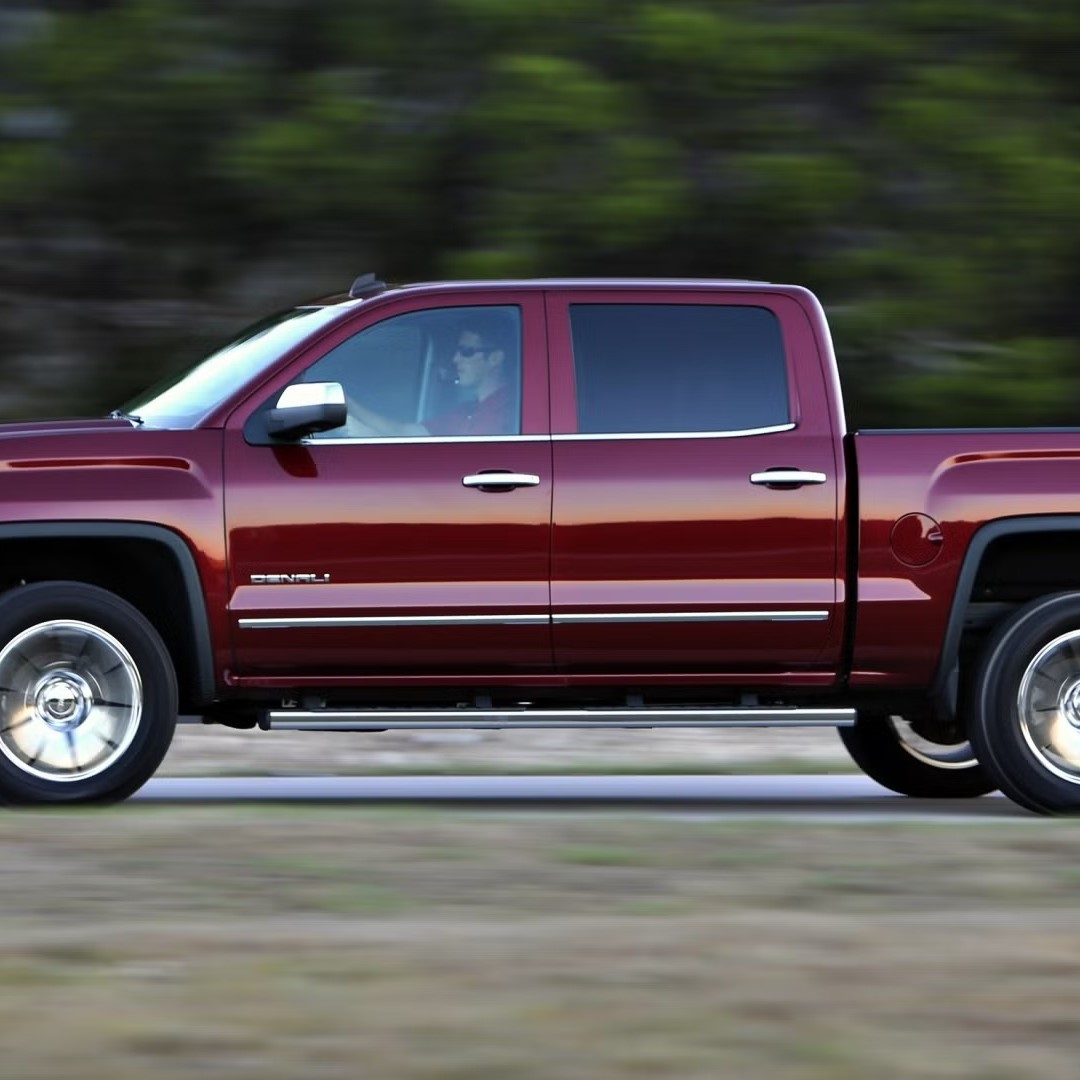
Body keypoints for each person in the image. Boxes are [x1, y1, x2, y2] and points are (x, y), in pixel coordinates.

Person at [342, 315, 517, 437]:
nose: (456, 359)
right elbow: (406, 432)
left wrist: (369, 434)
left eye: (466, 351)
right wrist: (351, 406)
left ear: (495, 358)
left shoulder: (511, 413)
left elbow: (461, 461)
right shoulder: (467, 411)